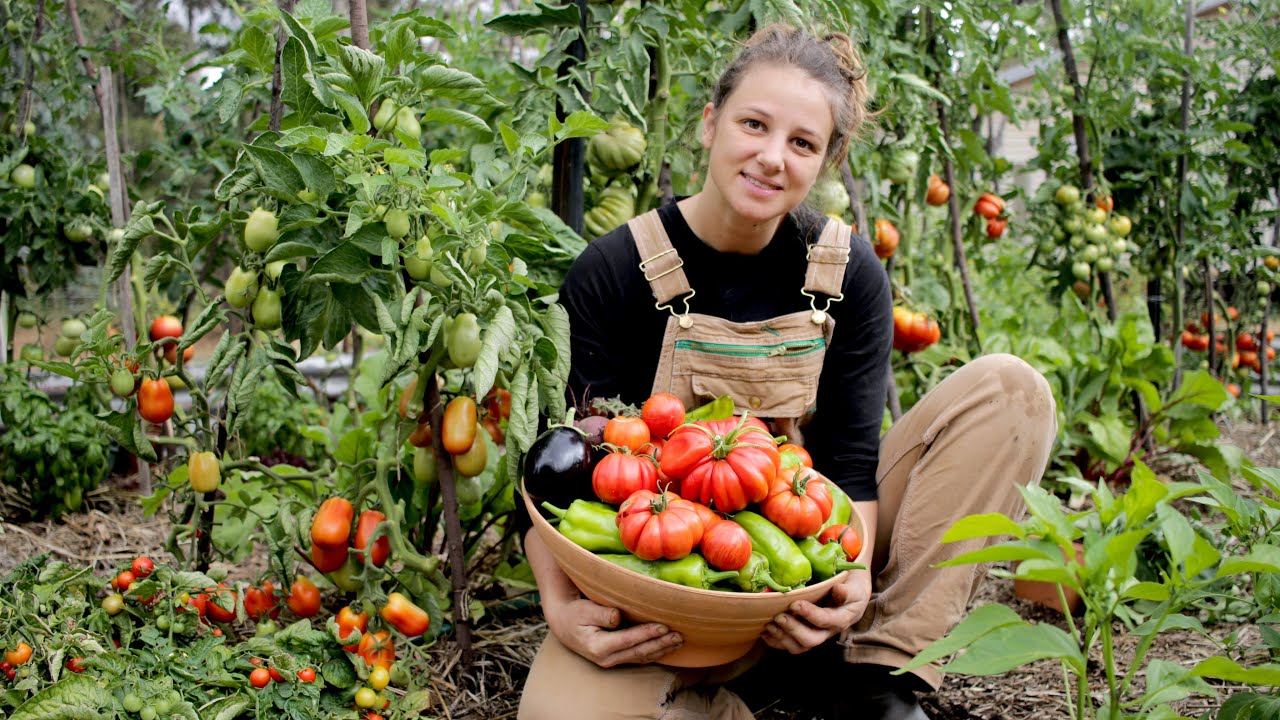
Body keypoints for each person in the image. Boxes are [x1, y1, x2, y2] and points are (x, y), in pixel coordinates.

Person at [518, 23, 1057, 720]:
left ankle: (880, 674)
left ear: (825, 162)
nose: (772, 158)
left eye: (802, 143)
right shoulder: (614, 271)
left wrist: (852, 582)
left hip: (807, 563)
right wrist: (562, 611)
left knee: (1012, 392)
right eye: (754, 124)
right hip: (669, 600)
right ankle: (738, 694)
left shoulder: (846, 273)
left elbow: (853, 460)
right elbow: (550, 472)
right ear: (711, 125)